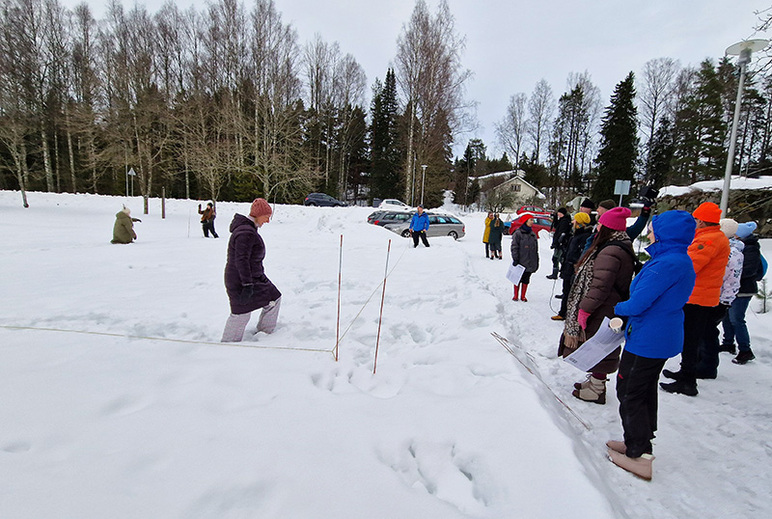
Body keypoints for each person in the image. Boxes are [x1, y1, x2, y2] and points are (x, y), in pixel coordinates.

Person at [608, 210, 697, 481]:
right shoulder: (676, 259)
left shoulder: (665, 264)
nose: (649, 232)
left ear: (665, 233)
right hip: (659, 335)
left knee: (630, 391)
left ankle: (639, 454)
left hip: (649, 338)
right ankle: (639, 440)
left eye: (653, 229)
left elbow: (638, 303)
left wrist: (615, 307)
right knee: (643, 389)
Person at [558, 207, 635, 404]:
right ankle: (594, 382)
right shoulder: (616, 246)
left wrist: (585, 308)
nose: (597, 226)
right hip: (606, 305)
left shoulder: (610, 250)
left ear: (608, 228)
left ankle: (597, 389)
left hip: (604, 307)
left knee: (600, 347)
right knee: (596, 345)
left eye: (601, 223)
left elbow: (600, 284)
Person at [661, 202, 730, 396]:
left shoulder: (708, 240)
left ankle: (688, 380)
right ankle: (686, 372)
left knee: (691, 339)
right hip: (699, 295)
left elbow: (689, 265)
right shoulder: (711, 237)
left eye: (695, 219)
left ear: (701, 220)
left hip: (698, 298)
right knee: (690, 338)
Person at [221, 198, 282, 342]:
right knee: (241, 313)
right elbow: (241, 260)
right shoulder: (245, 233)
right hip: (241, 280)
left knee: (273, 298)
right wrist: (247, 285)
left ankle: (264, 336)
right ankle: (227, 345)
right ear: (258, 215)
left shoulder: (248, 229)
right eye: (266, 217)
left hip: (253, 278)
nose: (267, 221)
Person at [693, 218, 744, 378]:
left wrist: (724, 300)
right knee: (702, 331)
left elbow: (729, 279)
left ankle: (707, 366)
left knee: (708, 332)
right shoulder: (727, 248)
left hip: (717, 297)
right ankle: (700, 362)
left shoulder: (731, 252)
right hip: (714, 295)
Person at [721, 221, 764, 365]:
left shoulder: (750, 249)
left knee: (736, 319)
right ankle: (728, 342)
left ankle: (745, 350)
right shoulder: (739, 247)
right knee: (727, 317)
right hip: (733, 289)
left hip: (743, 290)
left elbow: (749, 270)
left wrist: (731, 275)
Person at [551, 212, 592, 321]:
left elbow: (580, 253)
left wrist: (574, 263)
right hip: (568, 266)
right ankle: (564, 312)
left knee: (570, 292)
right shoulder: (575, 235)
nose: (572, 222)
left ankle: (566, 313)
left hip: (573, 268)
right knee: (566, 291)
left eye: (575, 220)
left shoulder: (584, 236)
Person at [510, 214, 539, 302]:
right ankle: (516, 295)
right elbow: (514, 247)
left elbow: (535, 250)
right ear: (525, 221)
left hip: (530, 261)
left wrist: (536, 260)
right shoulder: (518, 233)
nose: (532, 222)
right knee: (517, 278)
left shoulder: (533, 234)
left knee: (526, 279)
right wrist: (515, 259)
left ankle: (523, 295)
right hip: (521, 260)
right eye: (530, 220)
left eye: (532, 220)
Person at [547, 207, 572, 279]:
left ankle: (556, 273)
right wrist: (555, 218)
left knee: (556, 258)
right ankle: (562, 271)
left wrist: (557, 242)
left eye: (559, 213)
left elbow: (560, 232)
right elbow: (556, 226)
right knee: (560, 258)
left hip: (560, 243)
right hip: (560, 242)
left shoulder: (565, 222)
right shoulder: (562, 220)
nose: (558, 214)